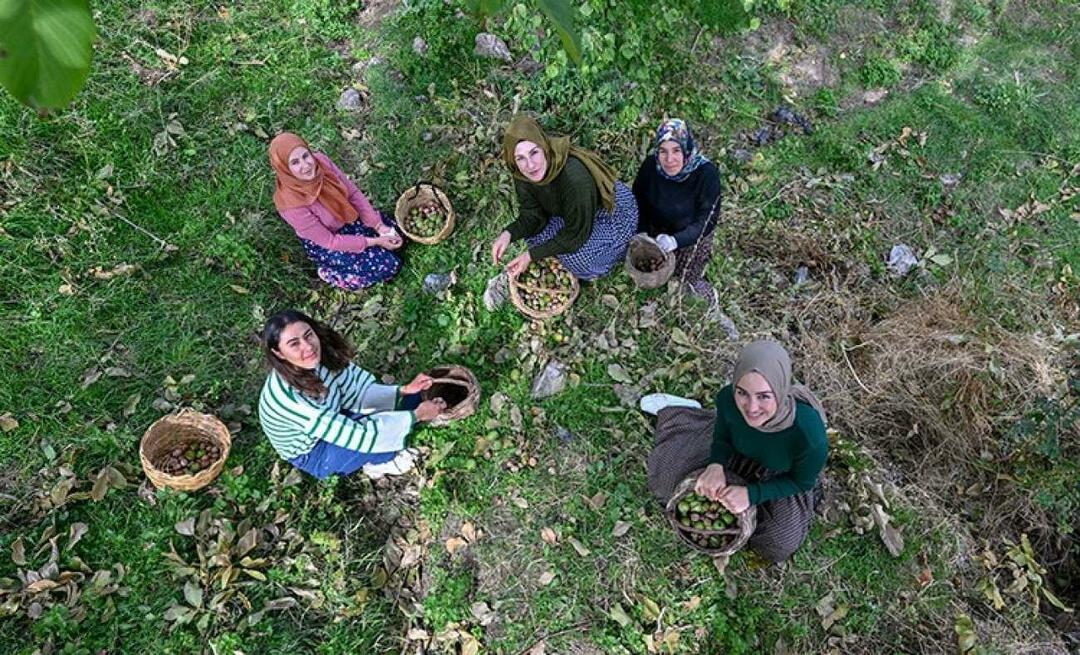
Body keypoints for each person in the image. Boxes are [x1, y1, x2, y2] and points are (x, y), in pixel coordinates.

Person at [646, 340, 828, 562]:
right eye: (742, 392)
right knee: (665, 482)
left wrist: (753, 494)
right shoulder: (728, 400)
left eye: (763, 396)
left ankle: (750, 498)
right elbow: (722, 437)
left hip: (779, 472)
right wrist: (716, 464)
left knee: (778, 544)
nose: (751, 408)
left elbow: (802, 482)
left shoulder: (808, 434)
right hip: (738, 449)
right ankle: (689, 412)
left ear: (780, 391)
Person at [258, 309, 447, 480]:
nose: (308, 347)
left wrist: (403, 390)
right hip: (315, 451)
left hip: (334, 413)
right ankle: (379, 463)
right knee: (382, 441)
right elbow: (360, 437)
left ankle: (416, 414)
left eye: (309, 335)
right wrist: (418, 415)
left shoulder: (320, 355)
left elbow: (356, 390)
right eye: (294, 344)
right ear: (279, 353)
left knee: (411, 399)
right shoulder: (291, 399)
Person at [490, 114, 637, 280]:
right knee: (535, 236)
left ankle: (616, 252)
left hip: (610, 212)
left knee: (578, 258)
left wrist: (530, 256)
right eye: (520, 158)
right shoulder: (522, 174)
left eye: (534, 153)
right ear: (513, 160)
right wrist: (508, 234)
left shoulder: (574, 176)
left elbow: (576, 234)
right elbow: (532, 215)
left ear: (544, 147)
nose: (530, 165)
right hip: (570, 210)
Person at [269, 132, 403, 291]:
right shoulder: (291, 205)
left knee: (398, 236)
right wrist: (375, 241)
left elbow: (353, 193)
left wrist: (378, 225)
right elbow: (330, 241)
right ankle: (331, 273)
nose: (306, 165)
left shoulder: (322, 162)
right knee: (388, 265)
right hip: (328, 241)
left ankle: (375, 238)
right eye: (295, 162)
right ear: (284, 168)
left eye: (306, 156)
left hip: (346, 217)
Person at [632, 118, 721, 301]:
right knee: (650, 264)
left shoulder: (706, 174)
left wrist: (675, 241)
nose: (669, 160)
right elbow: (638, 200)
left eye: (676, 150)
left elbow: (706, 221)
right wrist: (641, 232)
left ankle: (703, 293)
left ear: (686, 148)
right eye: (663, 151)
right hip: (656, 228)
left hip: (689, 236)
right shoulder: (651, 167)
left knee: (686, 279)